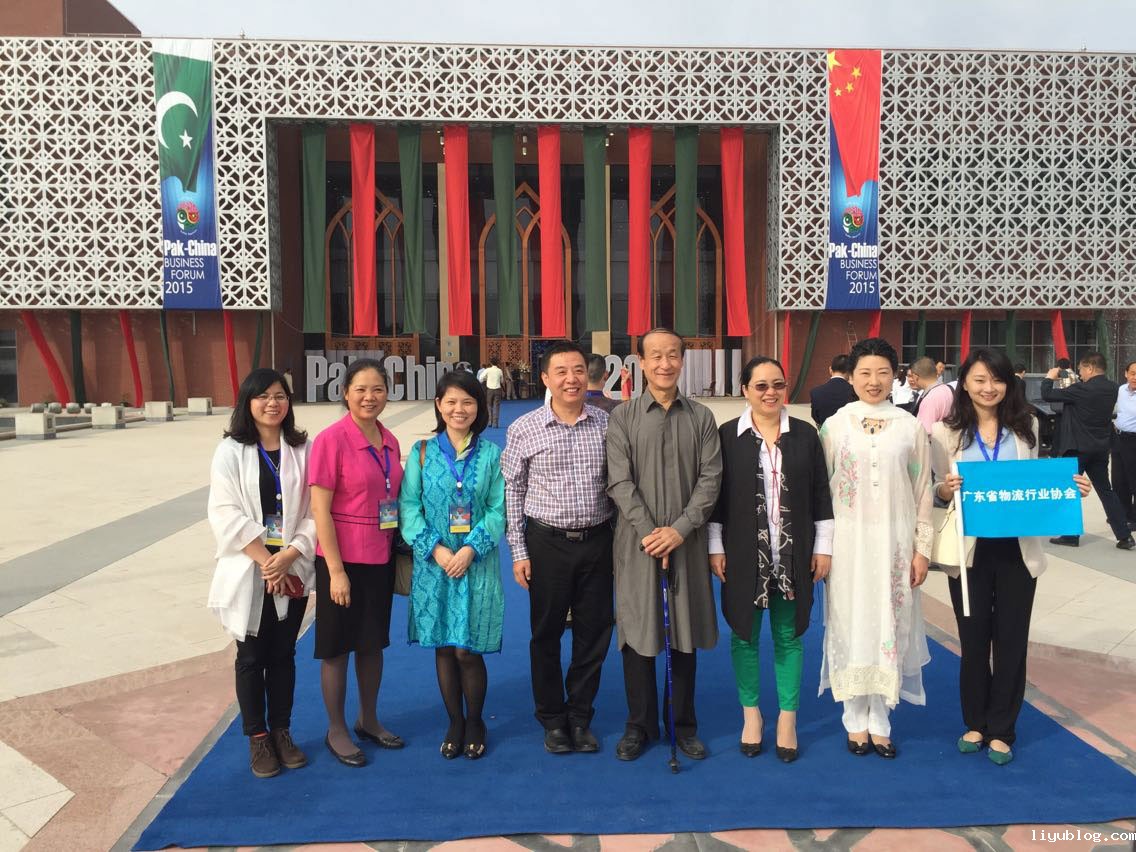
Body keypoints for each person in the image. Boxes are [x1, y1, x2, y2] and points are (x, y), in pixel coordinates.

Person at [932, 349, 1091, 765]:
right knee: (973, 640)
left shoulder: (1027, 426)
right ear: (964, 383)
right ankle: (975, 723)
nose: (989, 388)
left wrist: (1069, 489)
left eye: (997, 380)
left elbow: (1032, 485)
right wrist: (945, 490)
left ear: (1009, 383)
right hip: (969, 552)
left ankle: (1002, 729)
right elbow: (935, 491)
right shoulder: (944, 432)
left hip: (1017, 551)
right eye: (980, 379)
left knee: (1011, 641)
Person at [708, 356, 834, 763]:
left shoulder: (805, 434)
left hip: (793, 552)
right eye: (760, 385)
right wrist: (715, 546)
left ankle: (787, 719)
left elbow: (821, 494)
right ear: (745, 390)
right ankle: (751, 716)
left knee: (788, 636)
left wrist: (823, 546)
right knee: (744, 635)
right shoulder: (728, 435)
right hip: (744, 551)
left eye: (778, 384)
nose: (770, 393)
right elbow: (716, 498)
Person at [607, 328, 722, 761]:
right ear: (640, 362)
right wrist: (651, 532)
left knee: (683, 631)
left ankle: (682, 724)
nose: (664, 364)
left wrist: (680, 529)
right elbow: (619, 482)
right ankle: (639, 725)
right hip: (637, 544)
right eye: (655, 356)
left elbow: (711, 479)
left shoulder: (702, 417)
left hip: (686, 543)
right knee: (638, 631)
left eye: (672, 355)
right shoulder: (623, 417)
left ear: (682, 360)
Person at [818, 337, 932, 760]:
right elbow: (820, 493)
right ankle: (854, 717)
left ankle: (881, 719)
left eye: (883, 372)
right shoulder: (835, 426)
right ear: (850, 376)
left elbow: (922, 490)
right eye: (865, 372)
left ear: (894, 376)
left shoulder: (910, 426)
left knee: (890, 620)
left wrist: (922, 549)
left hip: (895, 543)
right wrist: (821, 547)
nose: (873, 380)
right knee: (850, 621)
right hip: (848, 543)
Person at [502, 341, 614, 755]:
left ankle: (580, 717)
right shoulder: (524, 428)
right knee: (546, 634)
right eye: (562, 372)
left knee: (593, 634)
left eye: (578, 370)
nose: (572, 379)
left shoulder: (606, 424)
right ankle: (552, 719)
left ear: (589, 375)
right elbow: (513, 491)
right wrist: (518, 551)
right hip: (546, 543)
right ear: (546, 378)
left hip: (597, 541)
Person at [207, 368, 316, 779]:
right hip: (250, 568)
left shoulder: (302, 448)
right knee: (251, 656)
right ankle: (258, 736)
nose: (272, 403)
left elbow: (314, 510)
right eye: (263, 396)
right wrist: (267, 562)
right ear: (247, 402)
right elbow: (224, 512)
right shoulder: (230, 451)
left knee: (284, 653)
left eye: (280, 396)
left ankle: (282, 731)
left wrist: (289, 555)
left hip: (292, 564)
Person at [399, 370, 505, 760]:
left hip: (476, 563)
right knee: (444, 647)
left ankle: (475, 720)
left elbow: (498, 509)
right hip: (435, 564)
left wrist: (471, 548)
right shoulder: (422, 452)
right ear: (439, 405)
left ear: (479, 407)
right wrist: (437, 550)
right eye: (452, 401)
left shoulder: (491, 454)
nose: (459, 409)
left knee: (467, 649)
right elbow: (409, 508)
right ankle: (454, 721)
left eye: (468, 402)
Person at [309, 358, 405, 767]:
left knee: (372, 643)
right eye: (361, 389)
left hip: (379, 557)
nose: (370, 397)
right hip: (342, 560)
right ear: (345, 393)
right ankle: (336, 729)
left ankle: (369, 718)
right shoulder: (330, 440)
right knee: (337, 648)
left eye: (378, 389)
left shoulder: (390, 440)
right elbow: (320, 509)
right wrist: (335, 572)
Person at [1042, 352, 1135, 549]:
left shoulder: (1081, 389)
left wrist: (1049, 378)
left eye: (1082, 369)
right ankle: (1124, 536)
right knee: (1106, 491)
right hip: (1100, 448)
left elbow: (1047, 395)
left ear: (1090, 368)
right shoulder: (1112, 388)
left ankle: (1070, 535)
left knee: (1070, 490)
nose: (1080, 373)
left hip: (1077, 448)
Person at [1112, 361, 1136, 530]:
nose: (1135, 377)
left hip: (1134, 440)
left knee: (1134, 480)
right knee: (1119, 480)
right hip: (1118, 438)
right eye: (1133, 373)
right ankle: (1123, 515)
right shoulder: (1120, 390)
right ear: (1126, 374)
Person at [809, 354, 858, 428]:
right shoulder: (855, 391)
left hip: (826, 432)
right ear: (850, 372)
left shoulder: (816, 392)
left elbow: (815, 417)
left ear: (830, 369)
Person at [909, 356, 954, 434]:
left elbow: (925, 433)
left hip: (934, 441)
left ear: (916, 377)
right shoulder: (949, 389)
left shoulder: (930, 399)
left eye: (912, 376)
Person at [483, 357, 505, 427]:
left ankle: (490, 421)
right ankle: (495, 423)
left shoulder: (487, 370)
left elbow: (480, 378)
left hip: (489, 390)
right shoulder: (499, 370)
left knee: (489, 406)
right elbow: (502, 381)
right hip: (497, 389)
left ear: (491, 363)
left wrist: (486, 379)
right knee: (496, 406)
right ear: (497, 363)